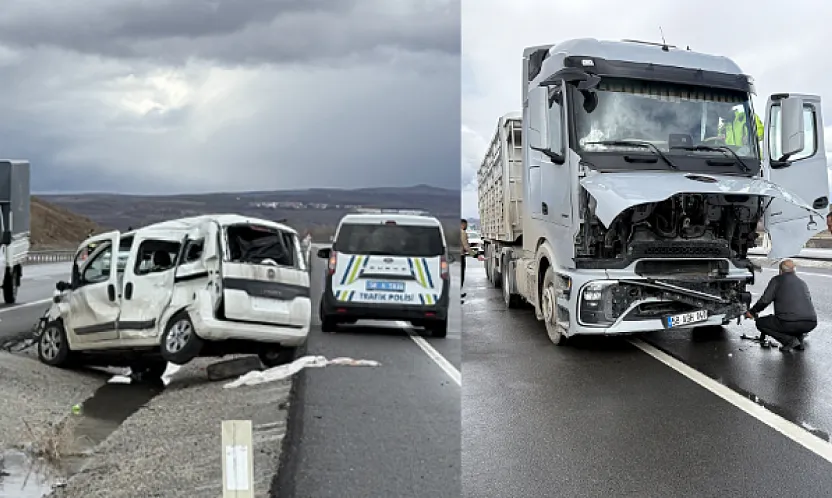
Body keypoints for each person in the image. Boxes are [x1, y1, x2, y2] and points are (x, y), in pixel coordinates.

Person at [744, 259, 817, 351]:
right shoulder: (802, 282)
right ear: (794, 270)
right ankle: (799, 341)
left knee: (761, 323)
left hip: (789, 322)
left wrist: (752, 311)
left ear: (780, 271)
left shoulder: (777, 280)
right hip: (810, 322)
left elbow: (765, 300)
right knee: (795, 319)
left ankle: (789, 341)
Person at [460, 219, 471, 299]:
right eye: (466, 224)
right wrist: (476, 255)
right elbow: (466, 246)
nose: (466, 226)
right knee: (461, 276)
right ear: (462, 224)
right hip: (460, 256)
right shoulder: (462, 233)